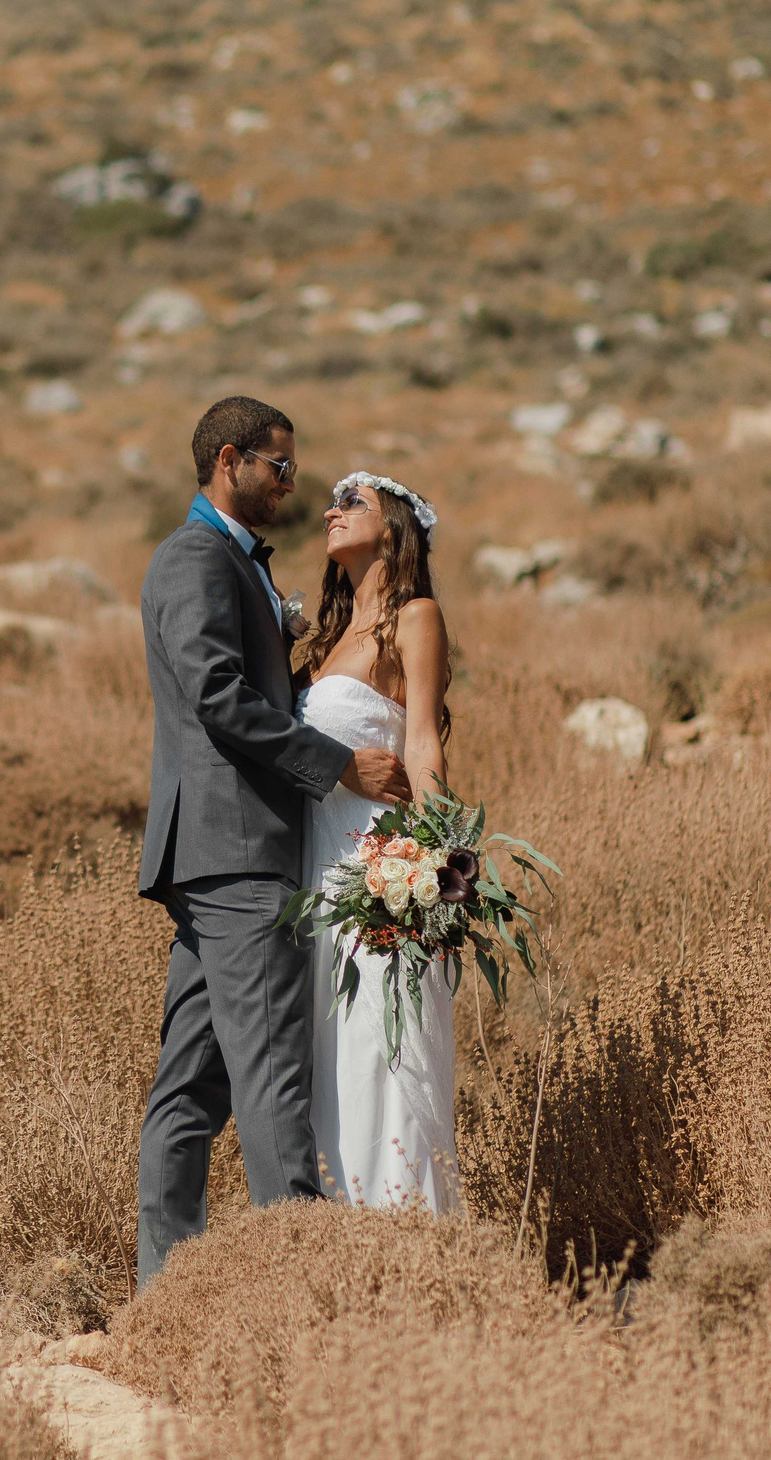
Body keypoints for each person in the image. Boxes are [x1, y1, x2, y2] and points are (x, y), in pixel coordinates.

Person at [133, 397, 412, 1289]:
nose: (292, 484)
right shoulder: (194, 557)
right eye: (280, 467)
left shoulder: (234, 563)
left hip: (222, 856)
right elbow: (217, 696)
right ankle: (300, 1292)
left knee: (194, 1086)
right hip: (240, 852)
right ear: (229, 460)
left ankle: (166, 1293)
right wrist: (338, 768)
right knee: (273, 1077)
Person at [299, 472, 461, 1213]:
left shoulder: (416, 617)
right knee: (329, 1061)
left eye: (351, 501)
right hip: (316, 877)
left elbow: (423, 742)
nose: (331, 510)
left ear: (392, 526)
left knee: (381, 1057)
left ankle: (403, 1249)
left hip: (378, 875)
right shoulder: (325, 638)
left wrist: (446, 873)